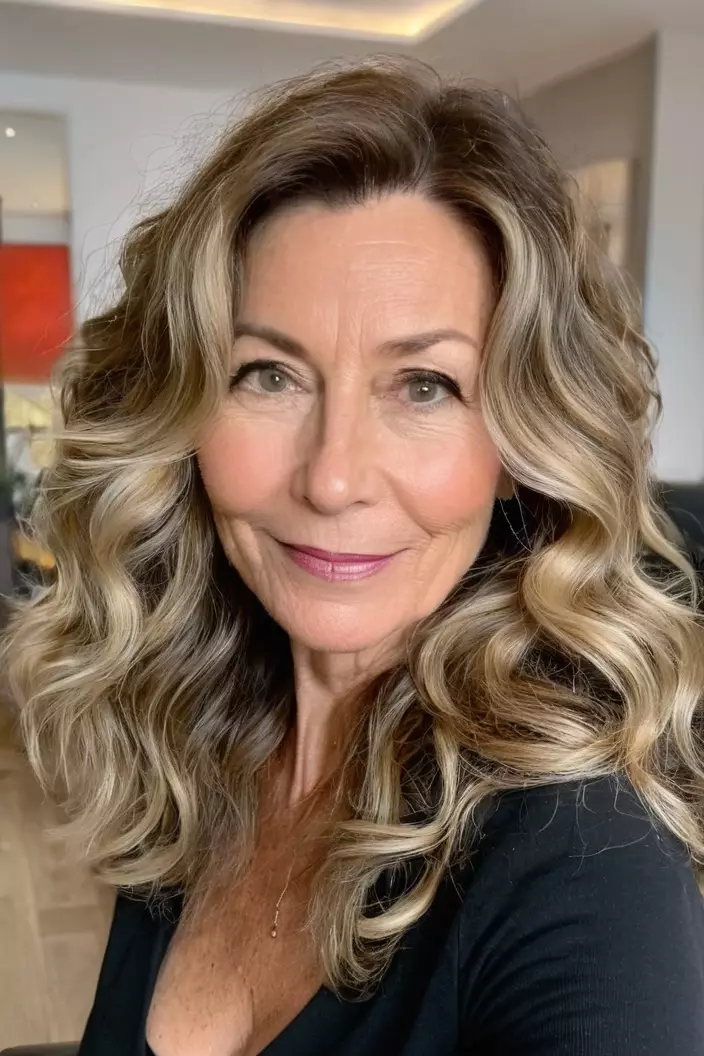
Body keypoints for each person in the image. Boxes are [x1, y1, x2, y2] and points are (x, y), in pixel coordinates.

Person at [4, 55, 704, 1056]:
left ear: (518, 450)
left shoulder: (580, 867)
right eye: (268, 375)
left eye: (423, 386)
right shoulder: (197, 743)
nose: (332, 478)